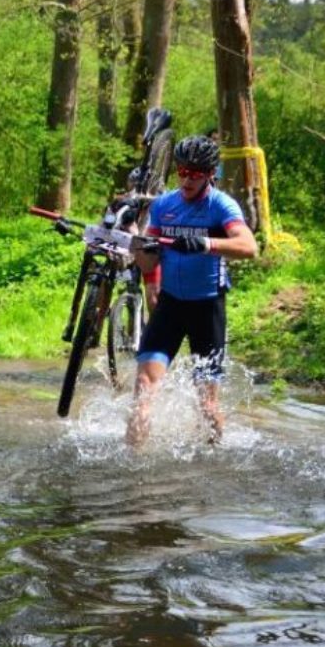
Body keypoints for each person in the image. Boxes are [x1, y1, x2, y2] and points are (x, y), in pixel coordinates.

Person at [126, 135, 259, 446]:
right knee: (144, 389)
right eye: (182, 172)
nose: (187, 179)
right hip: (170, 307)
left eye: (195, 174)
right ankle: (132, 470)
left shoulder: (221, 205)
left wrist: (205, 243)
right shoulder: (164, 206)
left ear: (210, 174)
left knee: (207, 404)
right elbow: (148, 264)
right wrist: (135, 240)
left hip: (207, 309)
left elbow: (248, 247)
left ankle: (215, 461)